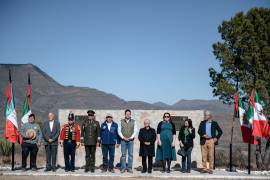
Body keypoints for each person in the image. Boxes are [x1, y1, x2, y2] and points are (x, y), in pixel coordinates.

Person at [118, 109, 138, 173]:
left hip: (130, 141)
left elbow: (135, 130)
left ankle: (129, 168)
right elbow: (119, 130)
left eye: (129, 114)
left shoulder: (133, 121)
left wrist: (130, 137)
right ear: (125, 114)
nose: (128, 115)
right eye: (127, 114)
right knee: (123, 155)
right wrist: (123, 137)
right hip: (123, 140)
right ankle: (123, 168)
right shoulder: (121, 121)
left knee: (130, 154)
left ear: (130, 114)